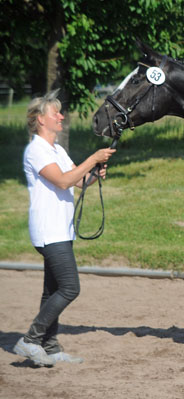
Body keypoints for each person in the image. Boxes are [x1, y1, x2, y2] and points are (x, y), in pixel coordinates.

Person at [13, 90, 116, 366]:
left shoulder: (57, 149)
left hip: (61, 230)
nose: (61, 116)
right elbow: (61, 181)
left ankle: (50, 346)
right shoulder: (36, 150)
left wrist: (94, 175)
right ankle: (31, 340)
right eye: (55, 113)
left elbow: (77, 181)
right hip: (49, 231)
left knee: (52, 290)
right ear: (39, 120)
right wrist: (91, 160)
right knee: (70, 287)